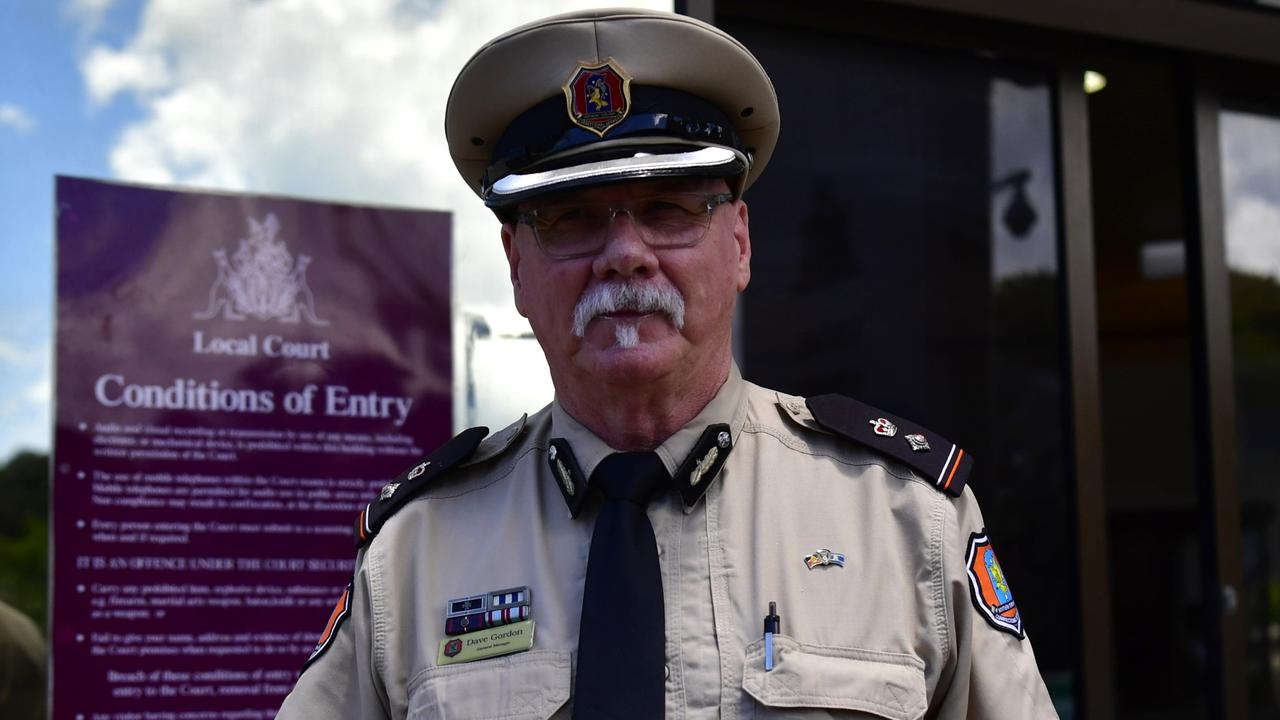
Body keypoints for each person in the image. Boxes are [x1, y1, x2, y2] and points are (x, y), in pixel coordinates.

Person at [277, 8, 1058, 719]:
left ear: (741, 242)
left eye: (669, 209)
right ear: (515, 265)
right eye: (571, 218)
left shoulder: (903, 521)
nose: (624, 255)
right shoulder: (416, 552)